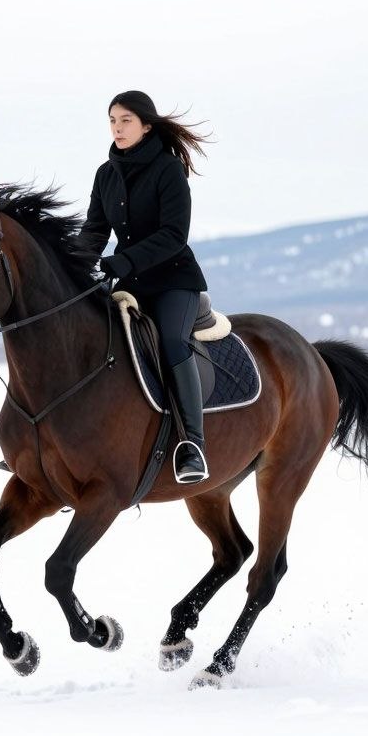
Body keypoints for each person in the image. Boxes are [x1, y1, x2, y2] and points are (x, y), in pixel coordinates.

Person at [82, 90, 213, 484]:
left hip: (175, 282)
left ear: (146, 125)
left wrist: (122, 261)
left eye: (125, 120)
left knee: (172, 342)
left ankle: (193, 444)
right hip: (132, 283)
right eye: (112, 120)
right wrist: (70, 265)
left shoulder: (168, 170)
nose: (117, 128)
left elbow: (174, 234)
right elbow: (94, 230)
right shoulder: (106, 174)